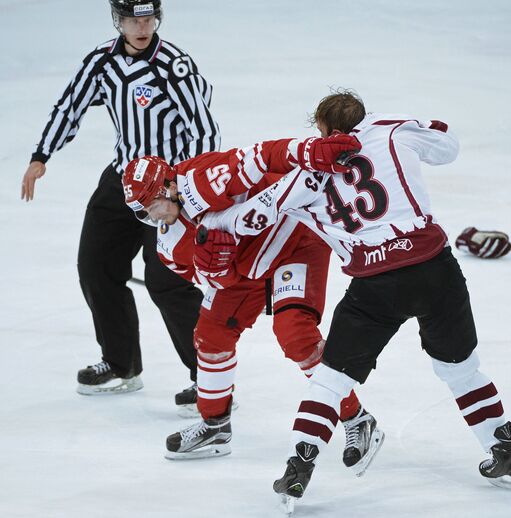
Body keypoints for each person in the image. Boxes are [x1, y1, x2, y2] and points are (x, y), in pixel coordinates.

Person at [200, 91, 511, 509]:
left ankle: (298, 467)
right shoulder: (390, 129)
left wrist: (210, 219)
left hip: (376, 284)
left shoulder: (307, 173)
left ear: (320, 129)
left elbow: (252, 218)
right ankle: (507, 453)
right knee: (461, 369)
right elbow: (447, 147)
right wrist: (395, 124)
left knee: (330, 380)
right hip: (434, 268)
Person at [120, 135, 382, 473]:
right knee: (210, 337)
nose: (151, 216)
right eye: (141, 211)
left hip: (294, 238)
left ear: (169, 185)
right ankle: (215, 427)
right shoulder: (169, 246)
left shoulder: (205, 178)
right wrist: (219, 269)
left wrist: (308, 152)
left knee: (295, 334)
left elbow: (263, 155)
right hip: (245, 266)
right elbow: (213, 281)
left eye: (151, 204)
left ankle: (357, 419)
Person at [21, 0, 220, 399]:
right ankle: (120, 362)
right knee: (95, 267)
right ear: (119, 20)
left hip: (168, 187)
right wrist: (41, 155)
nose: (142, 26)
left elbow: (203, 130)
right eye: (132, 19)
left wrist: (188, 191)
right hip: (122, 180)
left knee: (167, 281)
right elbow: (70, 104)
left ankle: (210, 379)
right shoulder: (101, 61)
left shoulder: (174, 67)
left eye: (148, 18)